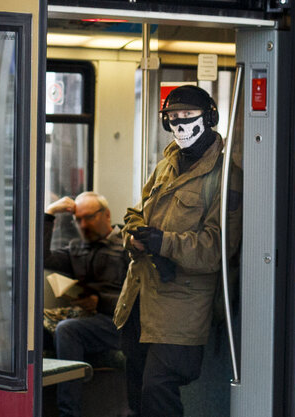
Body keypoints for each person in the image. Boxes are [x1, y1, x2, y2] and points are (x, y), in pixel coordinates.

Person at [114, 85, 224, 417]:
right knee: (136, 391)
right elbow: (137, 211)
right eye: (173, 117)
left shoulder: (223, 175)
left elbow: (216, 248)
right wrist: (132, 235)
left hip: (181, 308)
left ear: (209, 118)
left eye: (187, 115)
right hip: (138, 298)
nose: (179, 123)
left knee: (157, 389)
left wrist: (164, 242)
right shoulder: (166, 164)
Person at [43, 191, 127, 417]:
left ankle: (68, 413)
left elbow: (138, 298)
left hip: (117, 323)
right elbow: (41, 257)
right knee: (34, 326)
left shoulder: (126, 247)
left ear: (106, 215)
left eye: (88, 217)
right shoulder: (77, 248)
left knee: (67, 329)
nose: (82, 224)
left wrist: (99, 303)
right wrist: (50, 213)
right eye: (78, 220)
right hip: (90, 320)